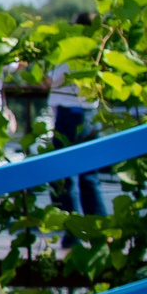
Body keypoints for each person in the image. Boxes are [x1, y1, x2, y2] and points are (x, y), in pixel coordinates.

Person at [45, 14, 107, 217]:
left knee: (64, 174)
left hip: (69, 116)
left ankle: (72, 229)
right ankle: (98, 227)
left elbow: (50, 81)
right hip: (91, 113)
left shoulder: (72, 51)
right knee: (89, 174)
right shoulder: (98, 51)